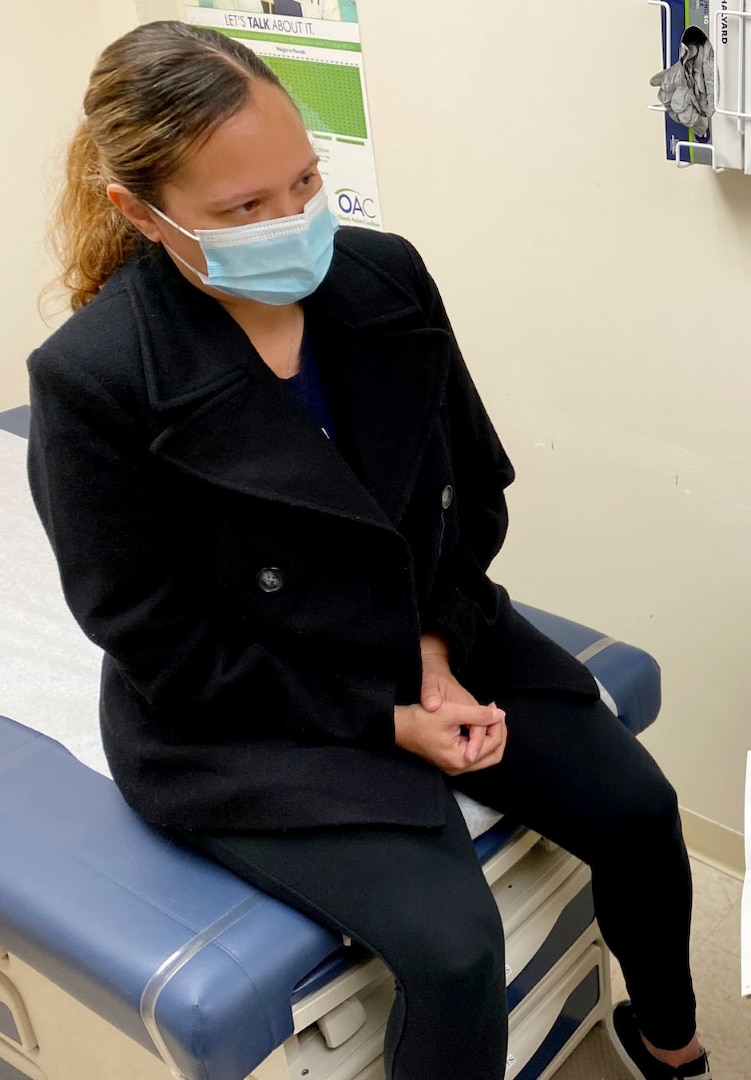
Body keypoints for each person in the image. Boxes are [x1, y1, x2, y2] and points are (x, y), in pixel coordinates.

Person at [28, 22, 709, 1080]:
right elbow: (163, 643)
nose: (293, 222)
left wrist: (435, 652)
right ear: (141, 214)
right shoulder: (96, 379)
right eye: (244, 209)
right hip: (247, 710)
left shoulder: (385, 280)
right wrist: (383, 717)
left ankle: (669, 1043)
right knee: (453, 950)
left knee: (639, 810)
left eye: (304, 182)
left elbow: (471, 491)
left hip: (424, 632)